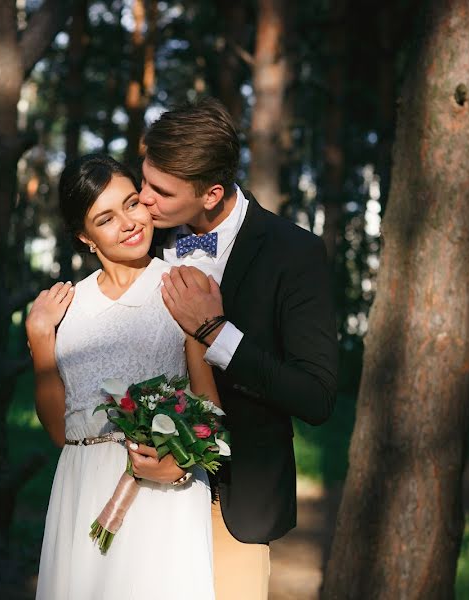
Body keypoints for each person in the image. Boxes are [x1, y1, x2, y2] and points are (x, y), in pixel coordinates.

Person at [127, 97, 339, 600]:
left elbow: (317, 396)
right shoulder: (139, 240)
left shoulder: (295, 253)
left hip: (235, 501)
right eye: (143, 180)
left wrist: (215, 333)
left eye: (159, 190)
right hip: (139, 493)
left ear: (212, 193)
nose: (142, 199)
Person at [28, 154, 220, 600]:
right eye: (106, 218)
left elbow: (209, 406)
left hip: (161, 492)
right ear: (84, 235)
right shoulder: (66, 306)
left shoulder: (182, 286)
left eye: (132, 203)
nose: (130, 223)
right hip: (81, 489)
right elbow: (59, 430)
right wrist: (40, 338)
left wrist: (179, 462)